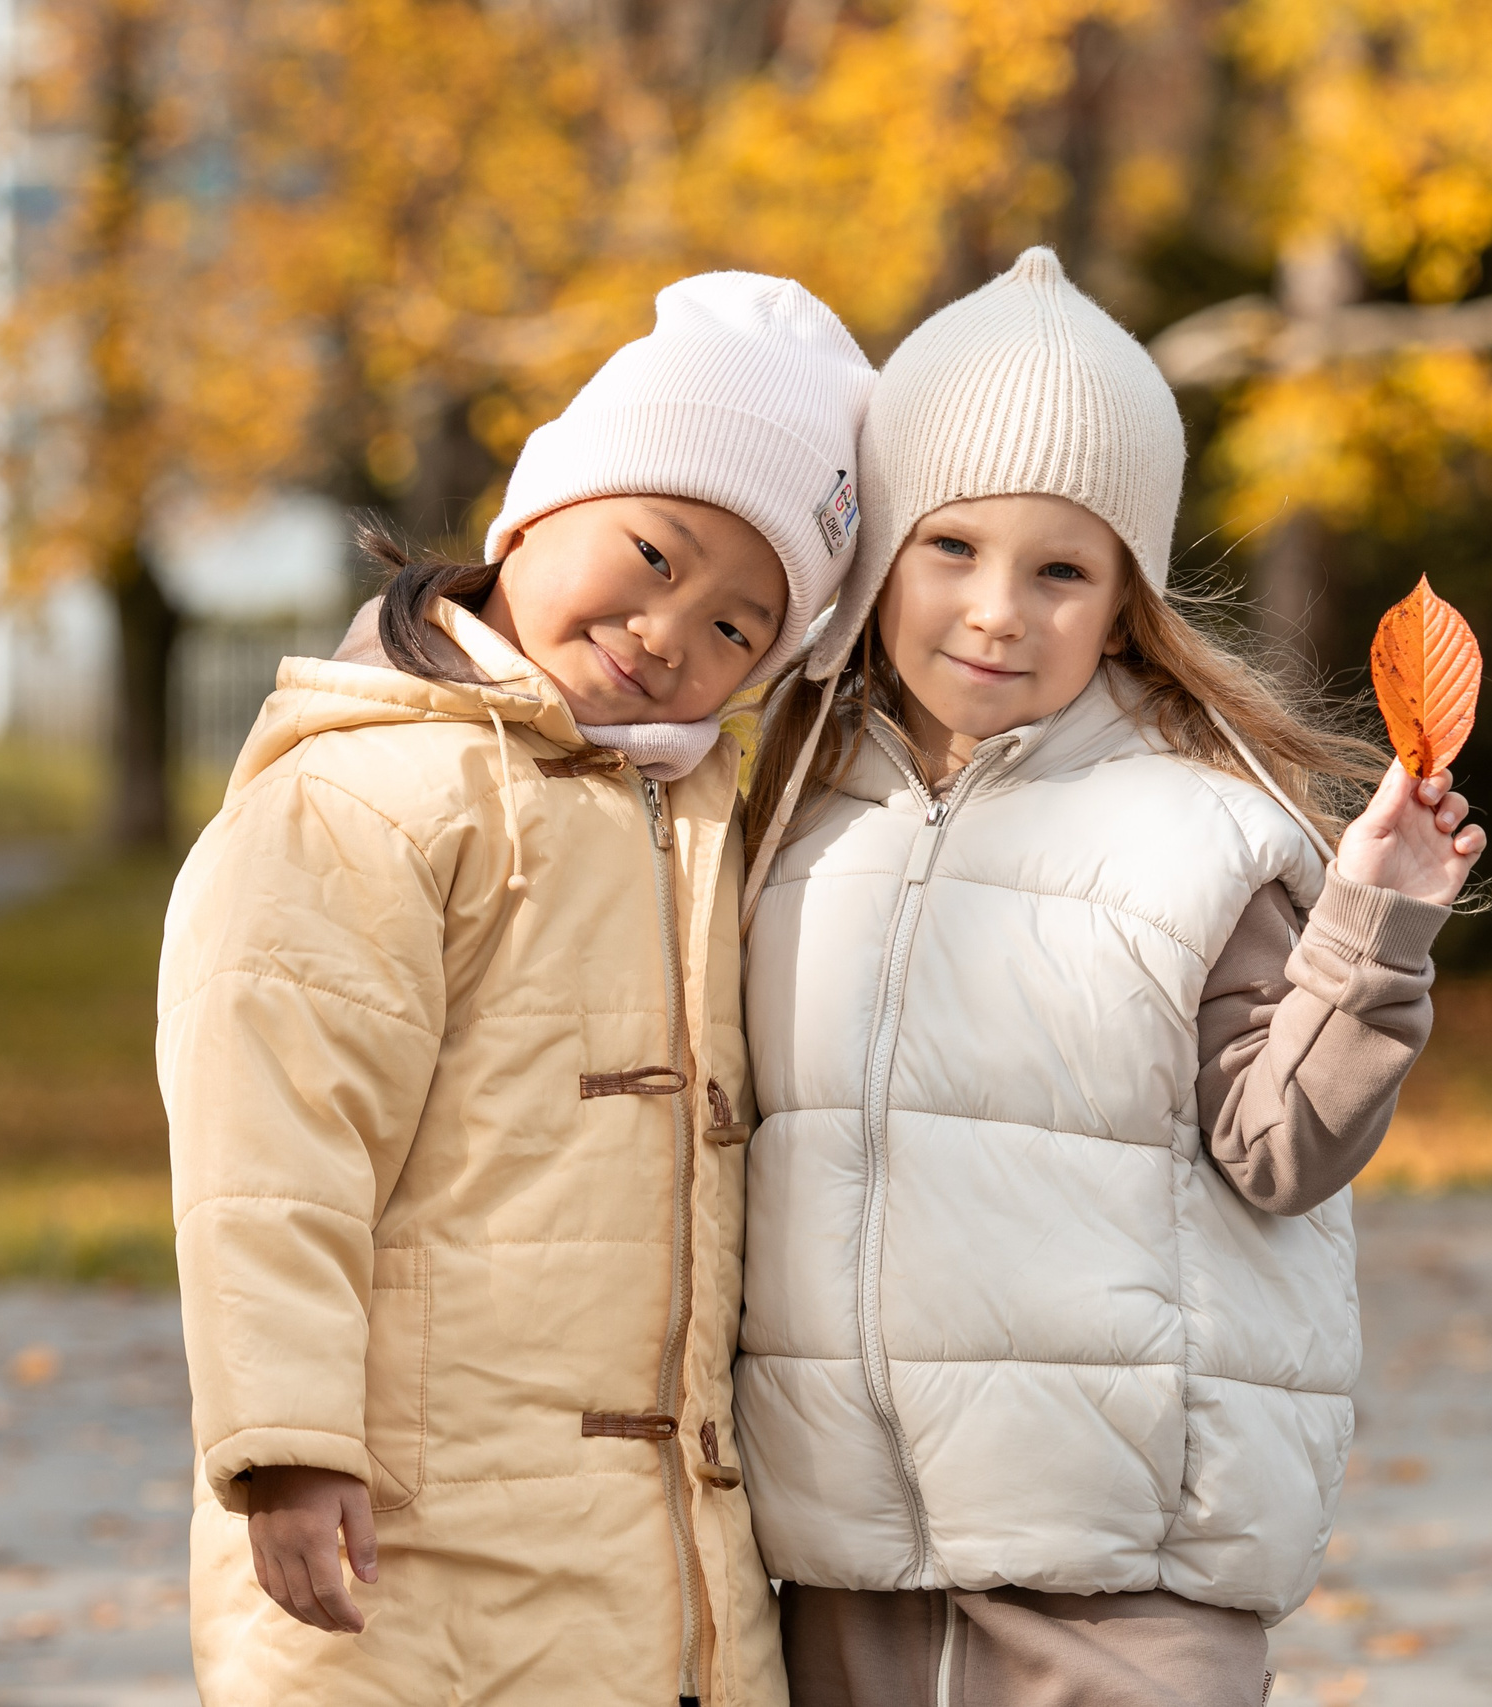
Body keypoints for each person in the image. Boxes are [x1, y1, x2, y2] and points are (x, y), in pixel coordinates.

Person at [733, 247, 1484, 1706]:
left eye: (1061, 569)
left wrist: (1373, 936)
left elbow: (1281, 1146)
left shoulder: (1197, 834)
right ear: (879, 558)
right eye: (952, 548)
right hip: (847, 1568)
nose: (997, 609)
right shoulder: (792, 823)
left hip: (1122, 1583)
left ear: (1127, 596)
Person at [158, 271, 872, 1703]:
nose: (668, 633)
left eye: (739, 630)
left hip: (646, 1571)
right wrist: (287, 1442)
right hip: (395, 1539)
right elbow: (271, 1141)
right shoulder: (369, 796)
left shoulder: (694, 819)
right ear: (536, 510)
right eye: (655, 554)